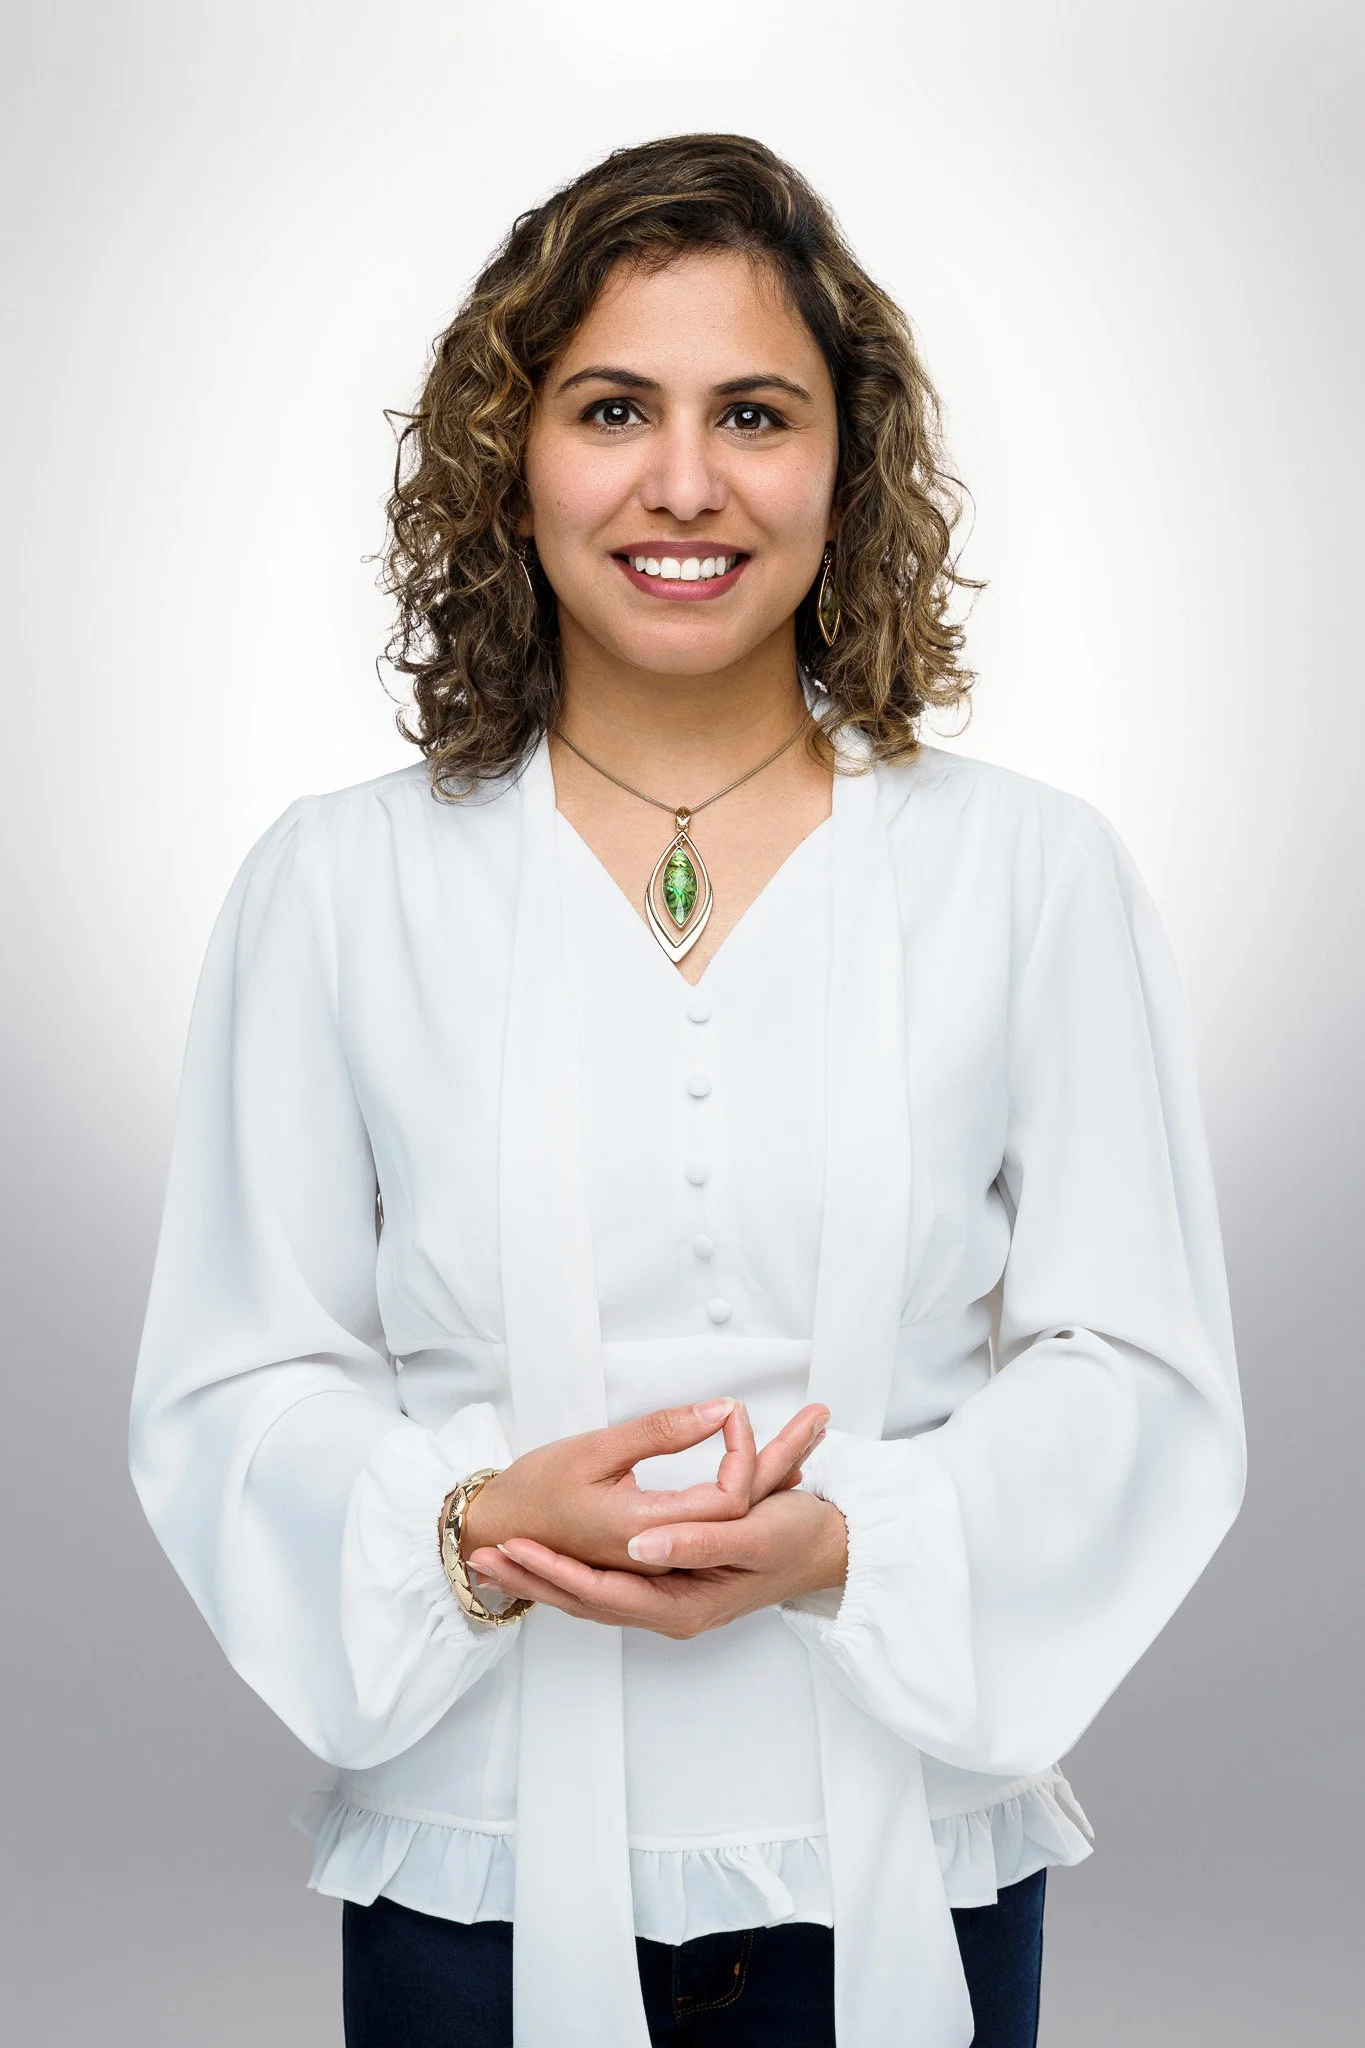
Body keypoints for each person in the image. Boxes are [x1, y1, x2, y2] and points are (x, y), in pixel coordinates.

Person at [128, 133, 1247, 2048]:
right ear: (511, 459)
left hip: (902, 1869)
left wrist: (855, 1545)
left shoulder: (1029, 876)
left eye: (754, 413)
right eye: (611, 408)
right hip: (474, 1877)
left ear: (847, 465)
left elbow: (1138, 1370)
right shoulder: (337, 886)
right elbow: (236, 1377)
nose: (684, 483)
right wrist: (469, 1527)